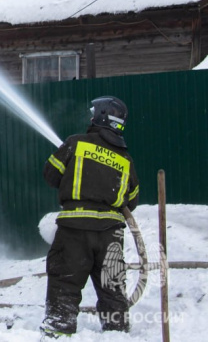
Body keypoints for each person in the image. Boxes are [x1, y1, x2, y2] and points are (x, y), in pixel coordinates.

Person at [40, 96, 140, 339]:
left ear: (101, 116)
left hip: (75, 229)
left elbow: (50, 175)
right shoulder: (125, 159)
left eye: (93, 112)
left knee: (65, 281)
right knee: (112, 288)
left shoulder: (76, 143)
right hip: (111, 234)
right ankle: (117, 332)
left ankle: (58, 329)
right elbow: (132, 200)